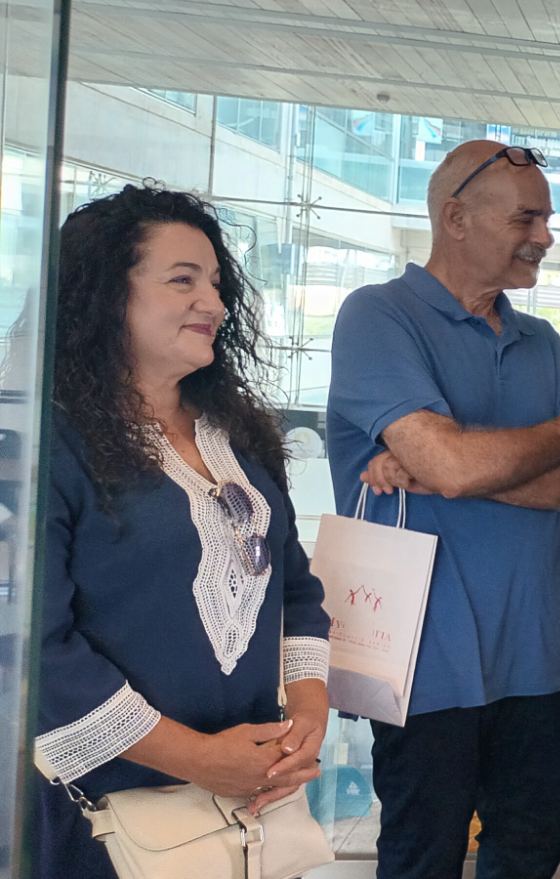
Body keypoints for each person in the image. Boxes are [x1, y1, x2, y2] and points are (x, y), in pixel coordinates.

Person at [328, 140, 560, 879]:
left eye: (547, 219)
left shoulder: (541, 340)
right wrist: (559, 436)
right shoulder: (376, 316)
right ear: (455, 218)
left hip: (534, 655)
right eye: (527, 218)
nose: (545, 236)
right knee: (423, 855)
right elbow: (459, 464)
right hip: (421, 660)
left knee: (534, 842)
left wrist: (448, 471)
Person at [32, 184, 330, 879]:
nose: (214, 304)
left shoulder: (239, 437)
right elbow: (37, 646)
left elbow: (295, 588)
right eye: (183, 280)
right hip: (104, 818)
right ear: (107, 294)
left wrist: (307, 714)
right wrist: (195, 757)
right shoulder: (52, 442)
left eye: (217, 284)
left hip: (245, 813)